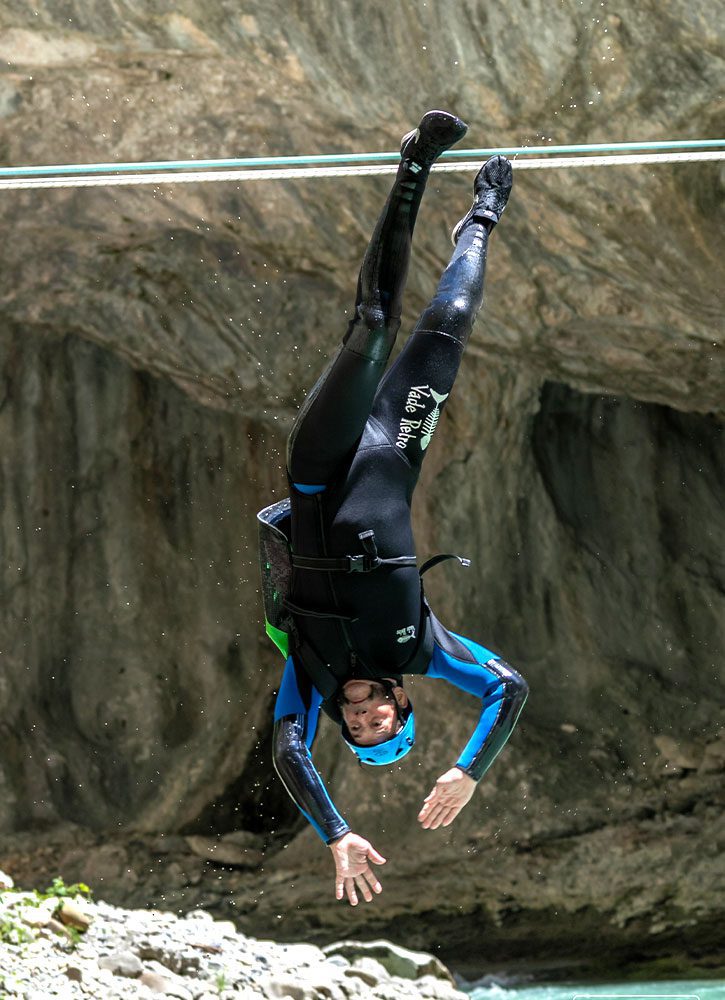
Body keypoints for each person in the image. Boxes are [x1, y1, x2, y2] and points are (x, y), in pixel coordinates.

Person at [259, 110, 529, 907]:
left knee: (372, 324)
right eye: (383, 719)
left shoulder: (307, 677)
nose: (366, 712)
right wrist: (466, 769)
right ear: (402, 703)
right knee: (446, 326)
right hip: (394, 449)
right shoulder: (426, 650)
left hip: (320, 469)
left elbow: (285, 754)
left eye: (361, 727)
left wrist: (336, 831)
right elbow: (507, 688)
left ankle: (415, 161)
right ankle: (480, 215)